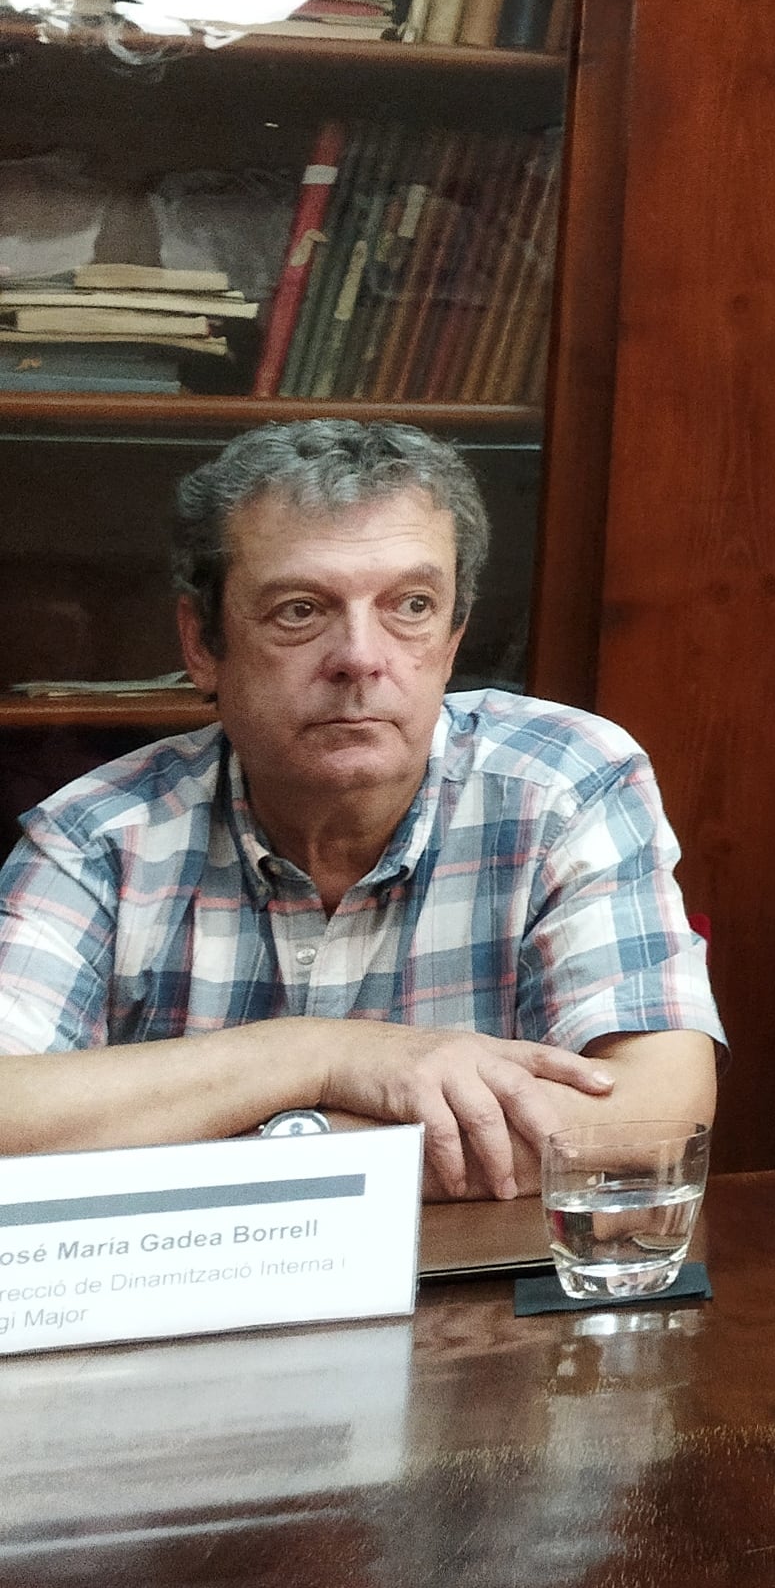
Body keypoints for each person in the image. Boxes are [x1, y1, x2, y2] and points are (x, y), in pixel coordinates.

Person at [0, 421, 721, 1196]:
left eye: (410, 604)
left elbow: (655, 1109)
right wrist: (318, 1055)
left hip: (482, 1305)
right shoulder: (97, 836)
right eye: (300, 610)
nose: (361, 656)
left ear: (451, 640)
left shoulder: (564, 780)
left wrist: (287, 1135)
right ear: (203, 643)